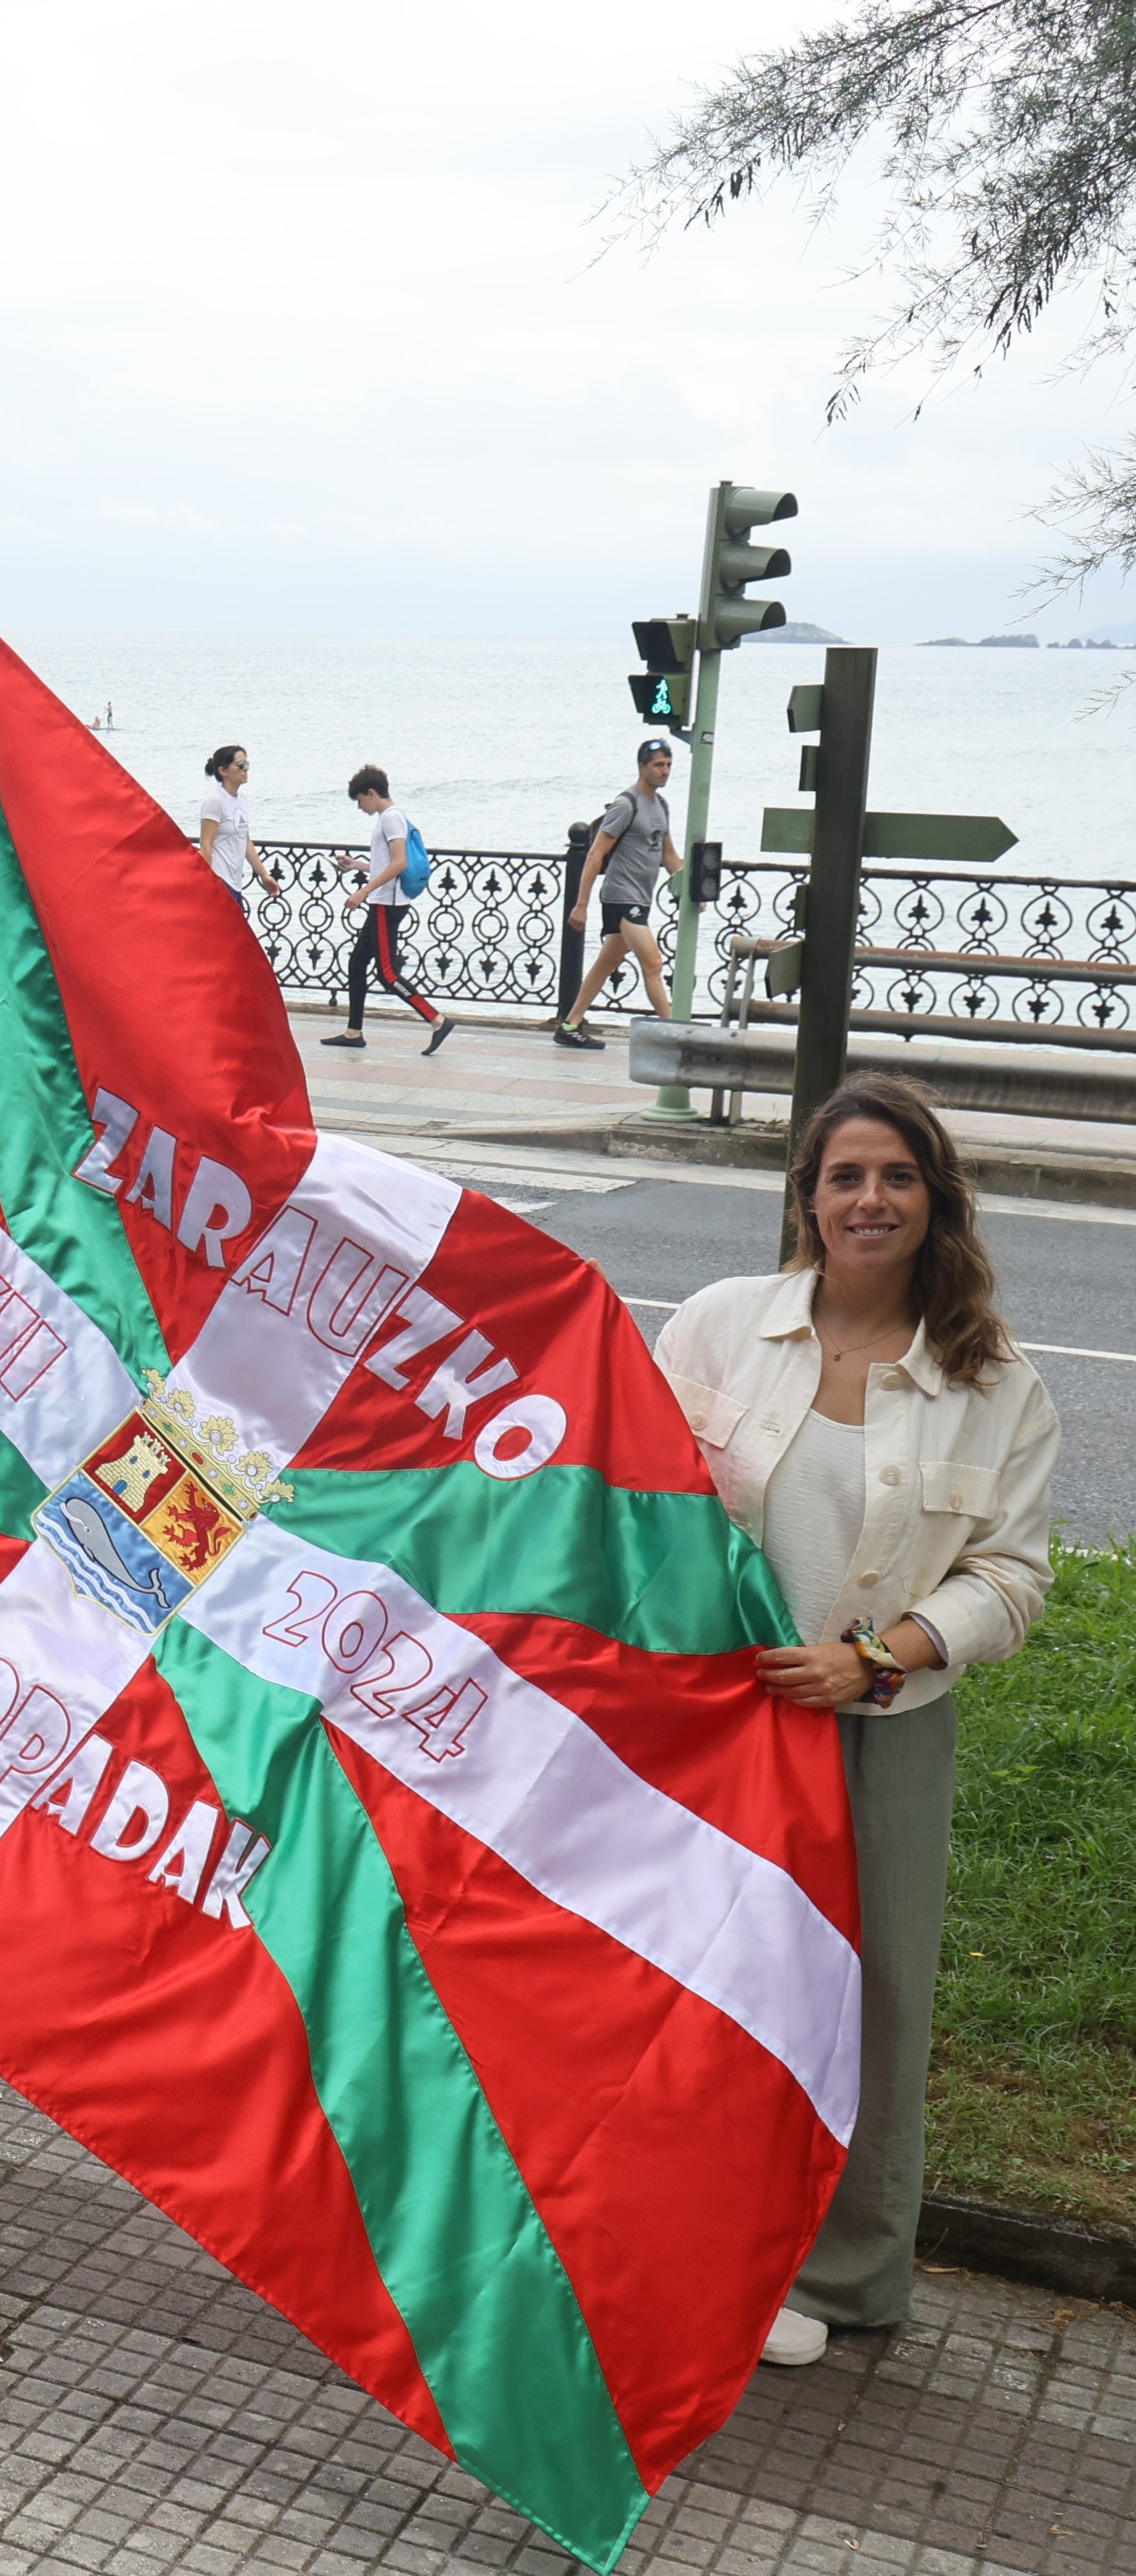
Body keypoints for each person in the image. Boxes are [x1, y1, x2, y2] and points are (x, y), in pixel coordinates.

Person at [652, 1074, 1058, 2369]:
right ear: (807, 1198)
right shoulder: (721, 1326)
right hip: (711, 1718)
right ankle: (689, 2236)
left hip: (878, 1725)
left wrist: (874, 1661)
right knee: (702, 1972)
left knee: (865, 1993)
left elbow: (1011, 1576)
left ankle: (842, 2273)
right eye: (843, 1176)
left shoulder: (994, 1386)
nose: (867, 1198)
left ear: (935, 1198)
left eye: (894, 1175)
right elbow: (633, 1483)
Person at [556, 740, 682, 1048]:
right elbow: (595, 854)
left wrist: (690, 888)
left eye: (667, 765)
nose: (664, 771)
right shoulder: (627, 805)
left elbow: (669, 855)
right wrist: (581, 904)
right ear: (642, 767)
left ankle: (570, 1026)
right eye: (657, 765)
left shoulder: (661, 806)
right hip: (620, 897)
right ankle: (677, 1037)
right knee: (653, 963)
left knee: (606, 964)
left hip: (641, 897)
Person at [321, 764, 452, 1056]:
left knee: (388, 973)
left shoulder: (391, 819)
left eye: (359, 800)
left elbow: (399, 863)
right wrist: (357, 865)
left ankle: (437, 1019)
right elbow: (387, 864)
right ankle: (354, 1032)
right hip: (383, 901)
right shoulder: (392, 817)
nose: (360, 807)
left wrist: (364, 891)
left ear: (371, 792)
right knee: (357, 963)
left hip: (386, 904)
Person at [196, 745, 285, 906]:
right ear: (223, 771)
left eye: (247, 765)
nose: (246, 770)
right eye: (241, 766)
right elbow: (206, 844)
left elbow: (244, 840)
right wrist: (207, 882)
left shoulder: (241, 799)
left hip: (235, 883)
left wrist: (264, 875)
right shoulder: (215, 801)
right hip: (220, 880)